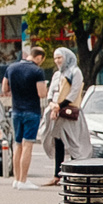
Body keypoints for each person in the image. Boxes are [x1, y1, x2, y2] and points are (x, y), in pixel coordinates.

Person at [41, 45, 91, 184]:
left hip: (69, 112)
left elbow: (74, 92)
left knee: (74, 142)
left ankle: (76, 174)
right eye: (55, 58)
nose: (57, 61)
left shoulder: (75, 72)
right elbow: (51, 92)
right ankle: (57, 175)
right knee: (58, 142)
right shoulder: (57, 74)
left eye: (60, 57)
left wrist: (59, 106)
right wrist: (52, 104)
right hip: (56, 113)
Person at [4, 44, 51, 189]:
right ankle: (24, 180)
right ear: (38, 57)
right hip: (32, 110)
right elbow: (42, 93)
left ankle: (16, 179)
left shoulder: (11, 68)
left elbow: (4, 89)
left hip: (16, 110)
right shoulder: (37, 71)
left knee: (17, 145)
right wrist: (46, 86)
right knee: (28, 145)